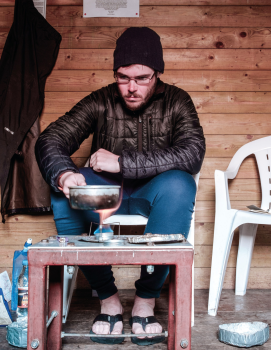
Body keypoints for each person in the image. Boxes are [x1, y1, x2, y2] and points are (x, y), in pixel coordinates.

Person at [35, 27, 206, 346]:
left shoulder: (177, 101)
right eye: (122, 77)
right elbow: (51, 139)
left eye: (142, 78)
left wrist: (123, 162)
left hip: (153, 193)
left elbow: (192, 153)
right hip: (106, 194)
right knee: (63, 196)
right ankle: (108, 298)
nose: (131, 87)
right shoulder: (100, 100)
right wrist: (63, 174)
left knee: (181, 185)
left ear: (158, 73)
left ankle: (146, 299)